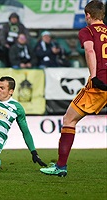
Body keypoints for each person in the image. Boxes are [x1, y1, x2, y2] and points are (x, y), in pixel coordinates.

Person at [40, 0, 107, 177]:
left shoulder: (87, 31)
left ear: (88, 15)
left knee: (69, 120)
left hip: (100, 84)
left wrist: (94, 77)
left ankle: (61, 167)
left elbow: (90, 50)